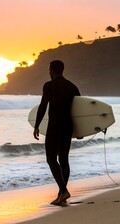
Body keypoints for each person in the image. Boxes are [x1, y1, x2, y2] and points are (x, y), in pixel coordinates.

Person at [33, 60, 80, 206]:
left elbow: (43, 106)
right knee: (64, 159)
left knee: (51, 159)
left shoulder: (49, 85)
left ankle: (63, 190)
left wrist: (36, 126)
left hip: (54, 126)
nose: (49, 72)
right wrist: (81, 130)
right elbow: (80, 109)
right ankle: (61, 194)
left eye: (49, 69)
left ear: (52, 70)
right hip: (68, 126)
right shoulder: (72, 86)